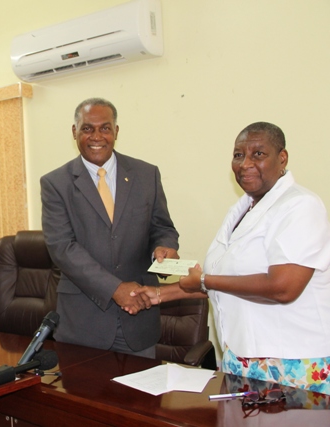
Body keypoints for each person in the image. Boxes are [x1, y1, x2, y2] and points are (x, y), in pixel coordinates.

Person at [135, 122, 330, 394]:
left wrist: (203, 279)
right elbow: (225, 283)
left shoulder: (300, 206)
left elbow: (284, 287)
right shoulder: (241, 210)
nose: (245, 163)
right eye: (238, 155)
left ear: (282, 158)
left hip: (290, 362)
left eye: (258, 154)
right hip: (239, 358)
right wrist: (159, 294)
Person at [40, 98, 180, 357]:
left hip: (139, 317)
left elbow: (162, 227)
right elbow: (62, 248)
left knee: (142, 397)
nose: (97, 136)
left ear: (116, 131)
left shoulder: (146, 174)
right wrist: (114, 289)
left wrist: (165, 247)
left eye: (105, 128)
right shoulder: (55, 183)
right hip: (83, 324)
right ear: (74, 132)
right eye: (87, 128)